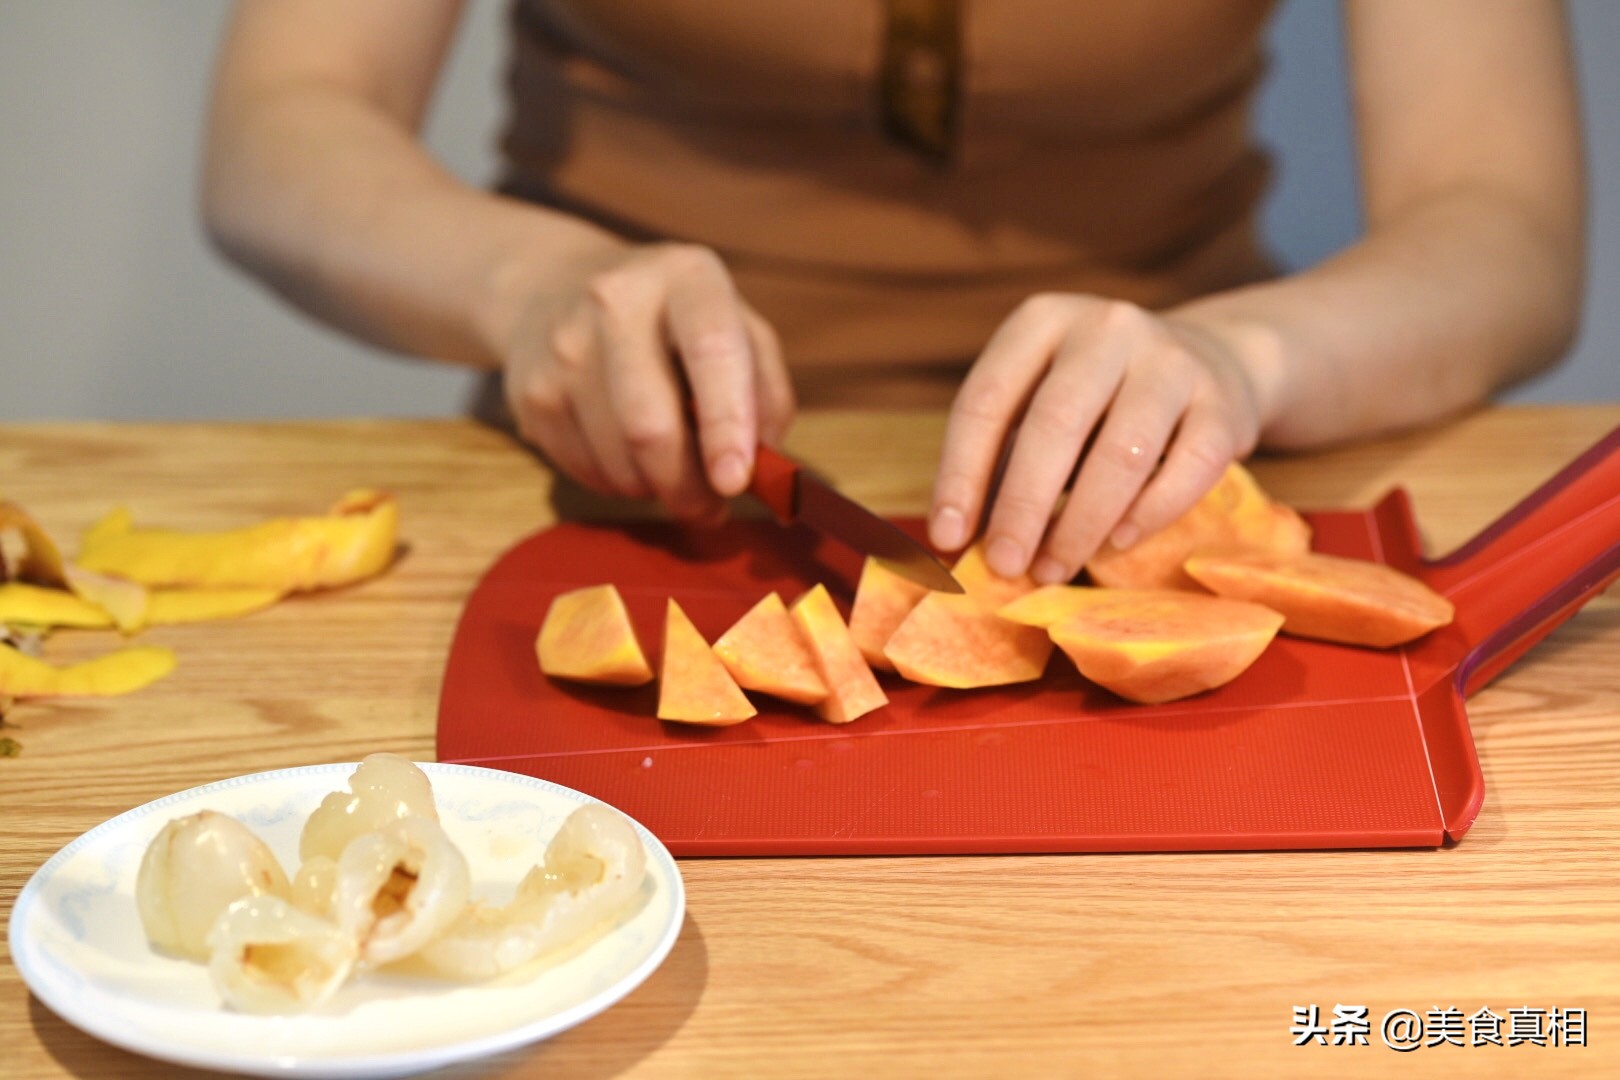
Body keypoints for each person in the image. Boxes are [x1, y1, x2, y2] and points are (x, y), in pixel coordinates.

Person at [202, 0, 1584, 585]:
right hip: (604, 481)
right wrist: (535, 283)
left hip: (1195, 476)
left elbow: (1507, 223)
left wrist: (1245, 359)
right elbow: (280, 127)